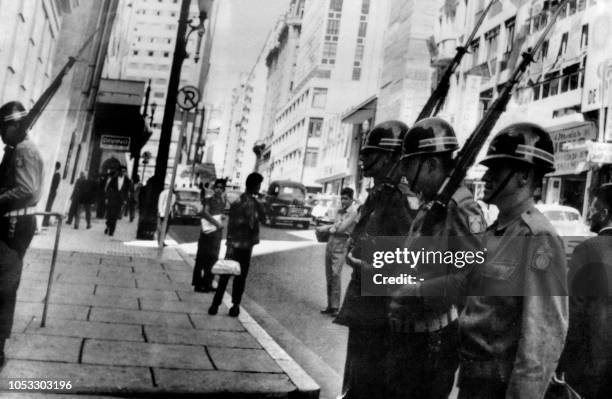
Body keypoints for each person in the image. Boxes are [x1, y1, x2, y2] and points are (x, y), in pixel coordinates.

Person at [396, 123, 568, 398]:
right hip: (475, 381)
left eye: (496, 170)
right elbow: (466, 283)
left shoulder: (537, 237)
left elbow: (542, 339)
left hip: (500, 384)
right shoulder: (496, 231)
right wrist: (414, 291)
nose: (486, 176)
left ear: (524, 176)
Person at [387, 117, 486, 399]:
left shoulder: (462, 208)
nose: (404, 173)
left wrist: (416, 292)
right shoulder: (432, 203)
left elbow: (475, 276)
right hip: (408, 336)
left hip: (431, 342)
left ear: (430, 164)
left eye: (410, 164)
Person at [334, 121, 413, 399]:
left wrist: (368, 268)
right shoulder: (379, 192)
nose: (363, 159)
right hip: (364, 307)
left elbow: (407, 262)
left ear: (393, 157)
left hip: (380, 312)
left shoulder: (400, 198)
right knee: (356, 381)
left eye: (372, 153)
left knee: (368, 385)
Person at [0, 101, 44, 369]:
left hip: (12, 226)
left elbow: (25, 190)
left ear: (15, 125)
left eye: (3, 128)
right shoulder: (19, 148)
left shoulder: (24, 151)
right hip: (11, 224)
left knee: (3, 289)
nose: (1, 134)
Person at [559, 183, 612, 399]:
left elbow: (574, 311)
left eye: (592, 207)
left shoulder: (588, 250)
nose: (588, 214)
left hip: (591, 369)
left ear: (605, 213)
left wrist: (561, 363)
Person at [209, 173, 265, 317]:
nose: (259, 187)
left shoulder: (237, 201)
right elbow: (259, 220)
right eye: (259, 185)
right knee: (241, 277)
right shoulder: (253, 203)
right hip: (245, 245)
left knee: (225, 274)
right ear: (255, 186)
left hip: (232, 244)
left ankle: (215, 304)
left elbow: (232, 223)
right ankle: (235, 306)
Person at [317, 187, 358, 316]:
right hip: (331, 242)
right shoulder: (340, 211)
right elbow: (336, 226)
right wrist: (331, 228)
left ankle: (335, 306)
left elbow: (341, 228)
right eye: (342, 198)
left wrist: (327, 228)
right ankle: (330, 305)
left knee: (335, 274)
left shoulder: (353, 212)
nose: (343, 201)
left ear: (352, 199)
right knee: (329, 275)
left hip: (341, 243)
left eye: (346, 198)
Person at [193, 179, 228, 293]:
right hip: (207, 233)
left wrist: (221, 217)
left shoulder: (222, 201)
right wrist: (216, 222)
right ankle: (199, 284)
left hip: (216, 234)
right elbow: (205, 213)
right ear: (213, 189)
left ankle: (208, 282)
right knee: (202, 258)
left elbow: (219, 213)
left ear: (223, 190)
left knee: (213, 258)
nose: (219, 189)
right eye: (217, 187)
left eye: (221, 188)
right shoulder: (208, 200)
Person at [42, 162, 61, 227]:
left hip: (52, 192)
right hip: (51, 192)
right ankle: (45, 221)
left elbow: (54, 185)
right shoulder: (55, 175)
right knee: (47, 206)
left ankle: (45, 222)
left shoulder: (57, 175)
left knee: (48, 207)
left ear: (56, 167)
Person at [104, 168, 122, 236]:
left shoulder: (123, 181)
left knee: (114, 217)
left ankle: (111, 231)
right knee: (109, 215)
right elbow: (107, 189)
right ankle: (108, 226)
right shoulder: (113, 180)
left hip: (118, 202)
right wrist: (107, 198)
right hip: (111, 200)